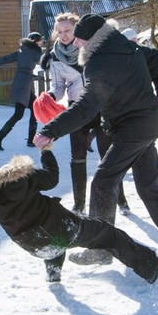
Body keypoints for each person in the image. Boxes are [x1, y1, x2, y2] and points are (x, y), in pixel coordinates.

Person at [33, 14, 158, 263]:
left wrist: (50, 130)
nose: (75, 44)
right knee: (149, 187)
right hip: (145, 125)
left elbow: (88, 105)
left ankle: (100, 249)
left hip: (131, 130)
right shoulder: (126, 47)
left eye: (78, 39)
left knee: (102, 182)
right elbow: (154, 58)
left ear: (91, 39)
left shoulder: (101, 63)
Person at [0, 144, 158, 284]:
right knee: (108, 234)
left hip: (34, 245)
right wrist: (46, 152)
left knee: (50, 244)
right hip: (62, 228)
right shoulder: (24, 178)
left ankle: (53, 278)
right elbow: (52, 177)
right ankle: (148, 266)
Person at [39, 12, 95, 213]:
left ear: (76, 30)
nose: (63, 35)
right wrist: (51, 97)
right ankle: (79, 204)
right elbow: (58, 86)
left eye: (67, 30)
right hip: (76, 107)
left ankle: (120, 199)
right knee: (77, 157)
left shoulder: (90, 49)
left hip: (99, 105)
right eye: (59, 31)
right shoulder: (55, 57)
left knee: (108, 156)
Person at [0, 32, 43, 151]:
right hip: (24, 85)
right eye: (39, 41)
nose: (40, 43)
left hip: (20, 83)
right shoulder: (35, 52)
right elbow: (46, 62)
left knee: (35, 108)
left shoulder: (22, 51)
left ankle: (30, 140)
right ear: (34, 41)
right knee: (18, 114)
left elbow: (5, 59)